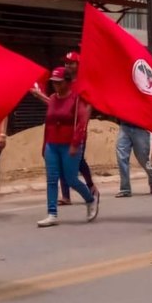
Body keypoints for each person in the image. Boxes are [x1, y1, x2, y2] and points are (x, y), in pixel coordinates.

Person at [37, 67, 99, 228]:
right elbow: (48, 124)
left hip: (69, 146)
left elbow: (82, 123)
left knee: (71, 179)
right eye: (54, 83)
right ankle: (52, 213)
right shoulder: (52, 99)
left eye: (59, 82)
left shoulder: (77, 99)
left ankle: (90, 200)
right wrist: (44, 145)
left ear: (67, 82)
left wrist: (75, 143)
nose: (56, 86)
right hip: (52, 144)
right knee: (51, 179)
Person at [116, 119, 152, 198]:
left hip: (141, 127)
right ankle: (125, 189)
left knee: (143, 158)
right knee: (121, 157)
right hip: (124, 126)